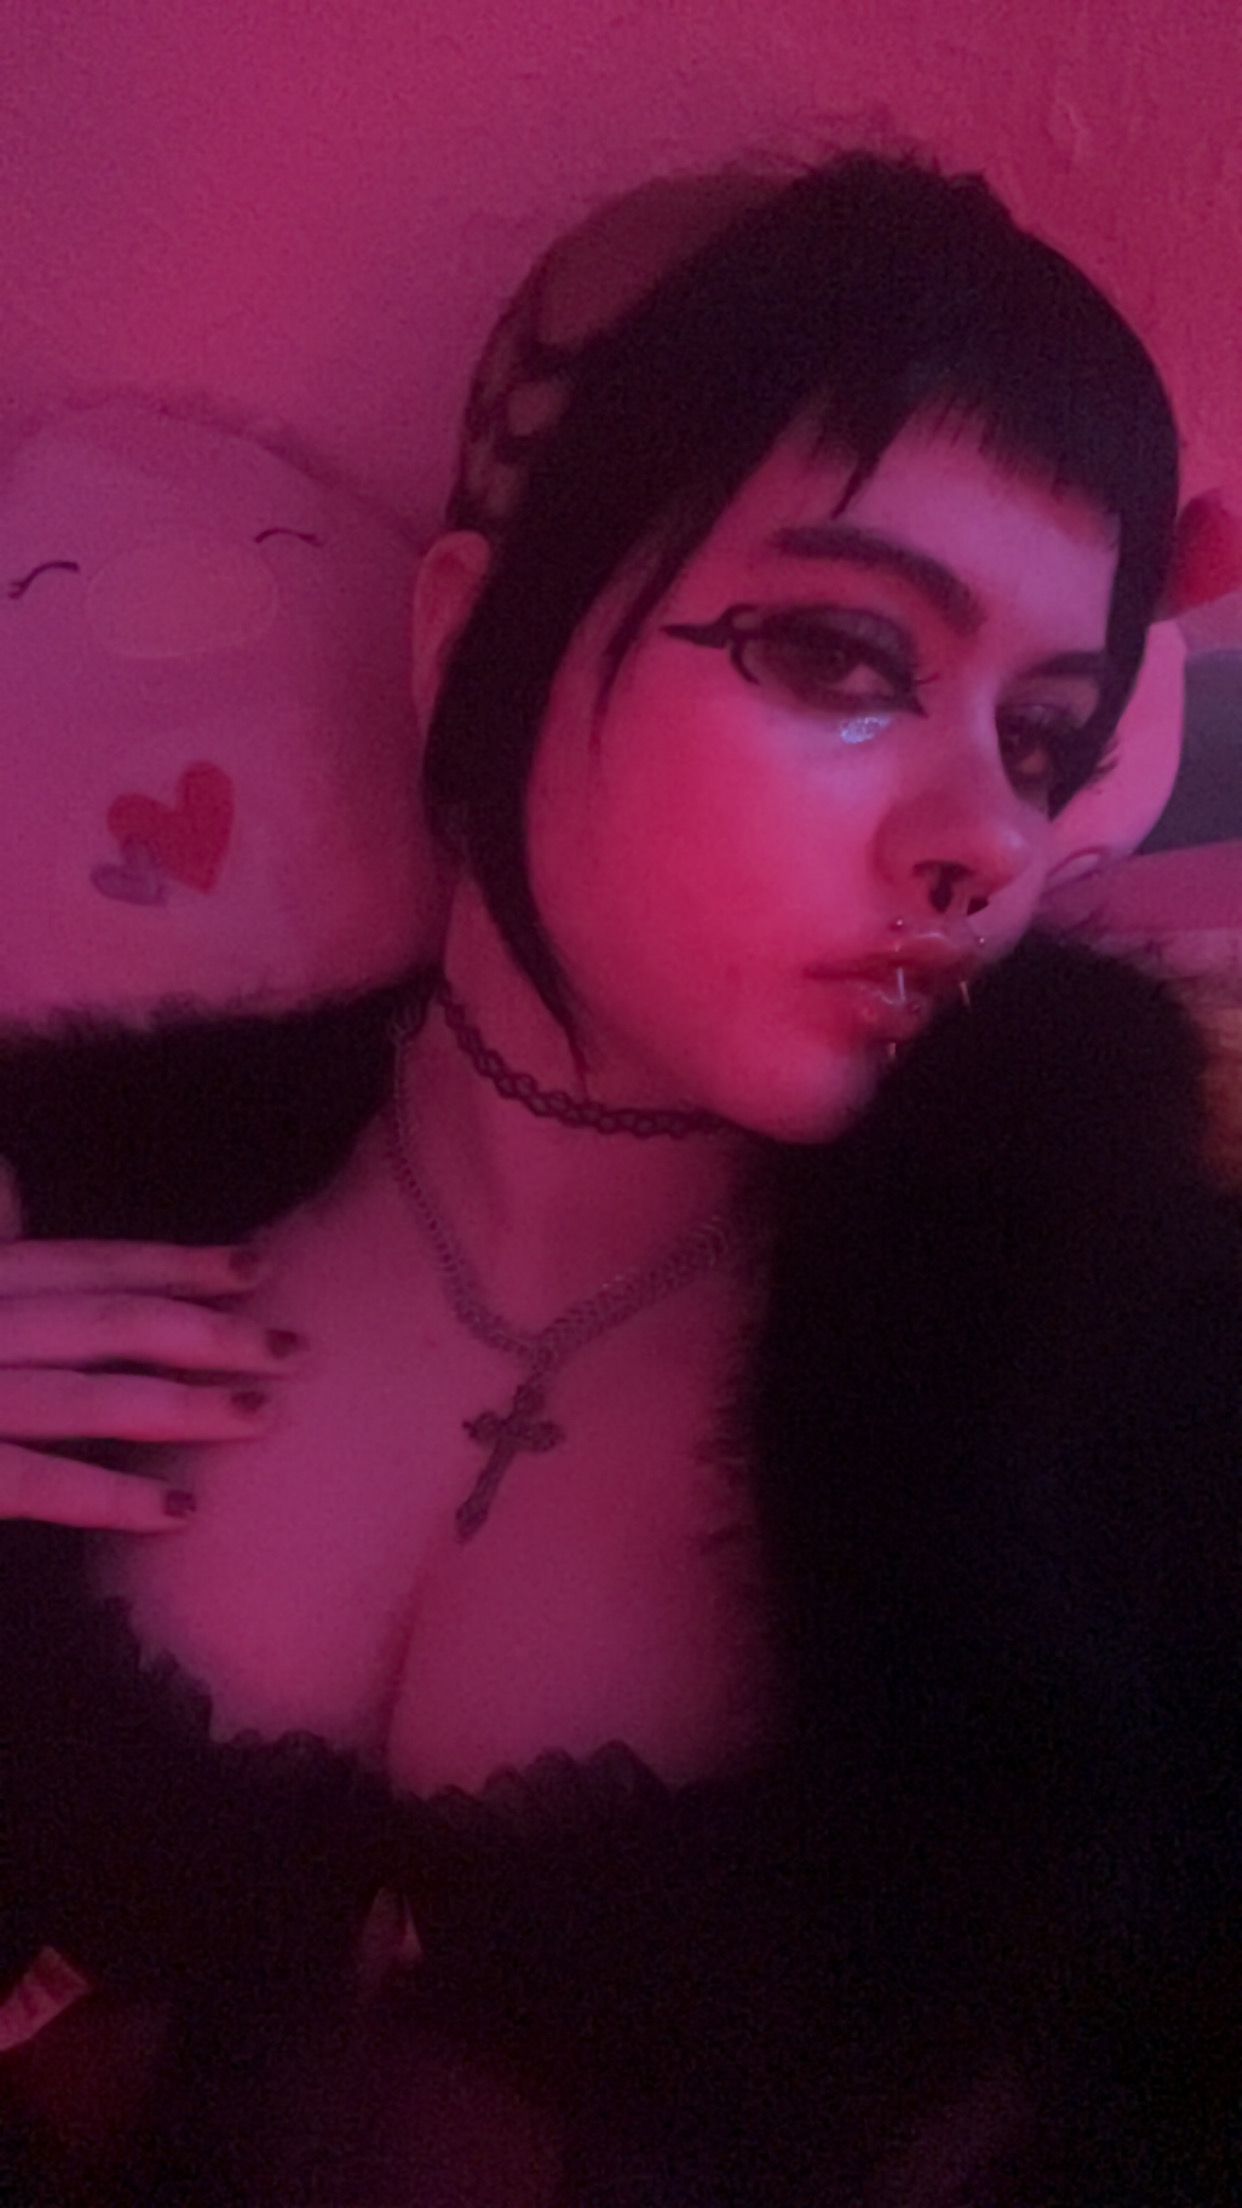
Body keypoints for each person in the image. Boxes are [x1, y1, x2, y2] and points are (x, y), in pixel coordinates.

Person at [2, 151, 1238, 2205]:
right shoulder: (76, 1189)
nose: (983, 839)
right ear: (471, 632)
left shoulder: (1103, 1370)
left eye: (1043, 739)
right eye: (843, 656)